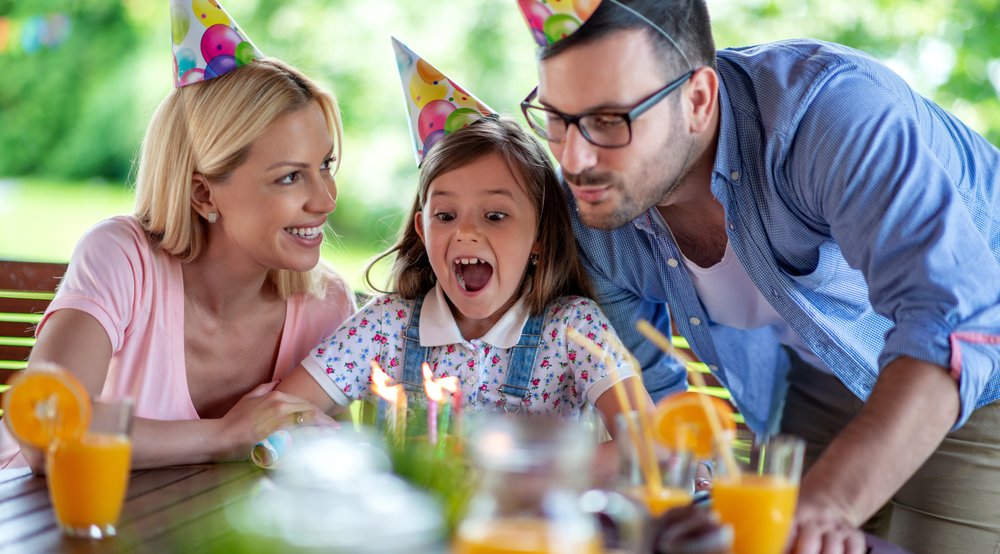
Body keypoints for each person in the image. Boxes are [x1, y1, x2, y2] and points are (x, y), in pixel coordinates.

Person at [516, 0, 1000, 554]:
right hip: (818, 382)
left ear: (697, 98)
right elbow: (657, 410)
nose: (574, 158)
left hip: (977, 369)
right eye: (556, 118)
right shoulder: (591, 212)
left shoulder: (827, 115)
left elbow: (955, 317)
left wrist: (830, 502)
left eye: (608, 121)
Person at [0, 2, 355, 471]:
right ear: (204, 193)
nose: (326, 200)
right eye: (290, 177)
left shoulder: (327, 307)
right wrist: (226, 434)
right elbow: (46, 429)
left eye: (325, 166)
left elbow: (336, 474)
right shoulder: (122, 258)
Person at [276, 113, 646, 465]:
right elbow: (279, 411)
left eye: (495, 216)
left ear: (539, 236)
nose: (465, 232)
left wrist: (522, 472)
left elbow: (648, 444)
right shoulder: (384, 326)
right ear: (423, 230)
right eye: (446, 216)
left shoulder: (574, 330)